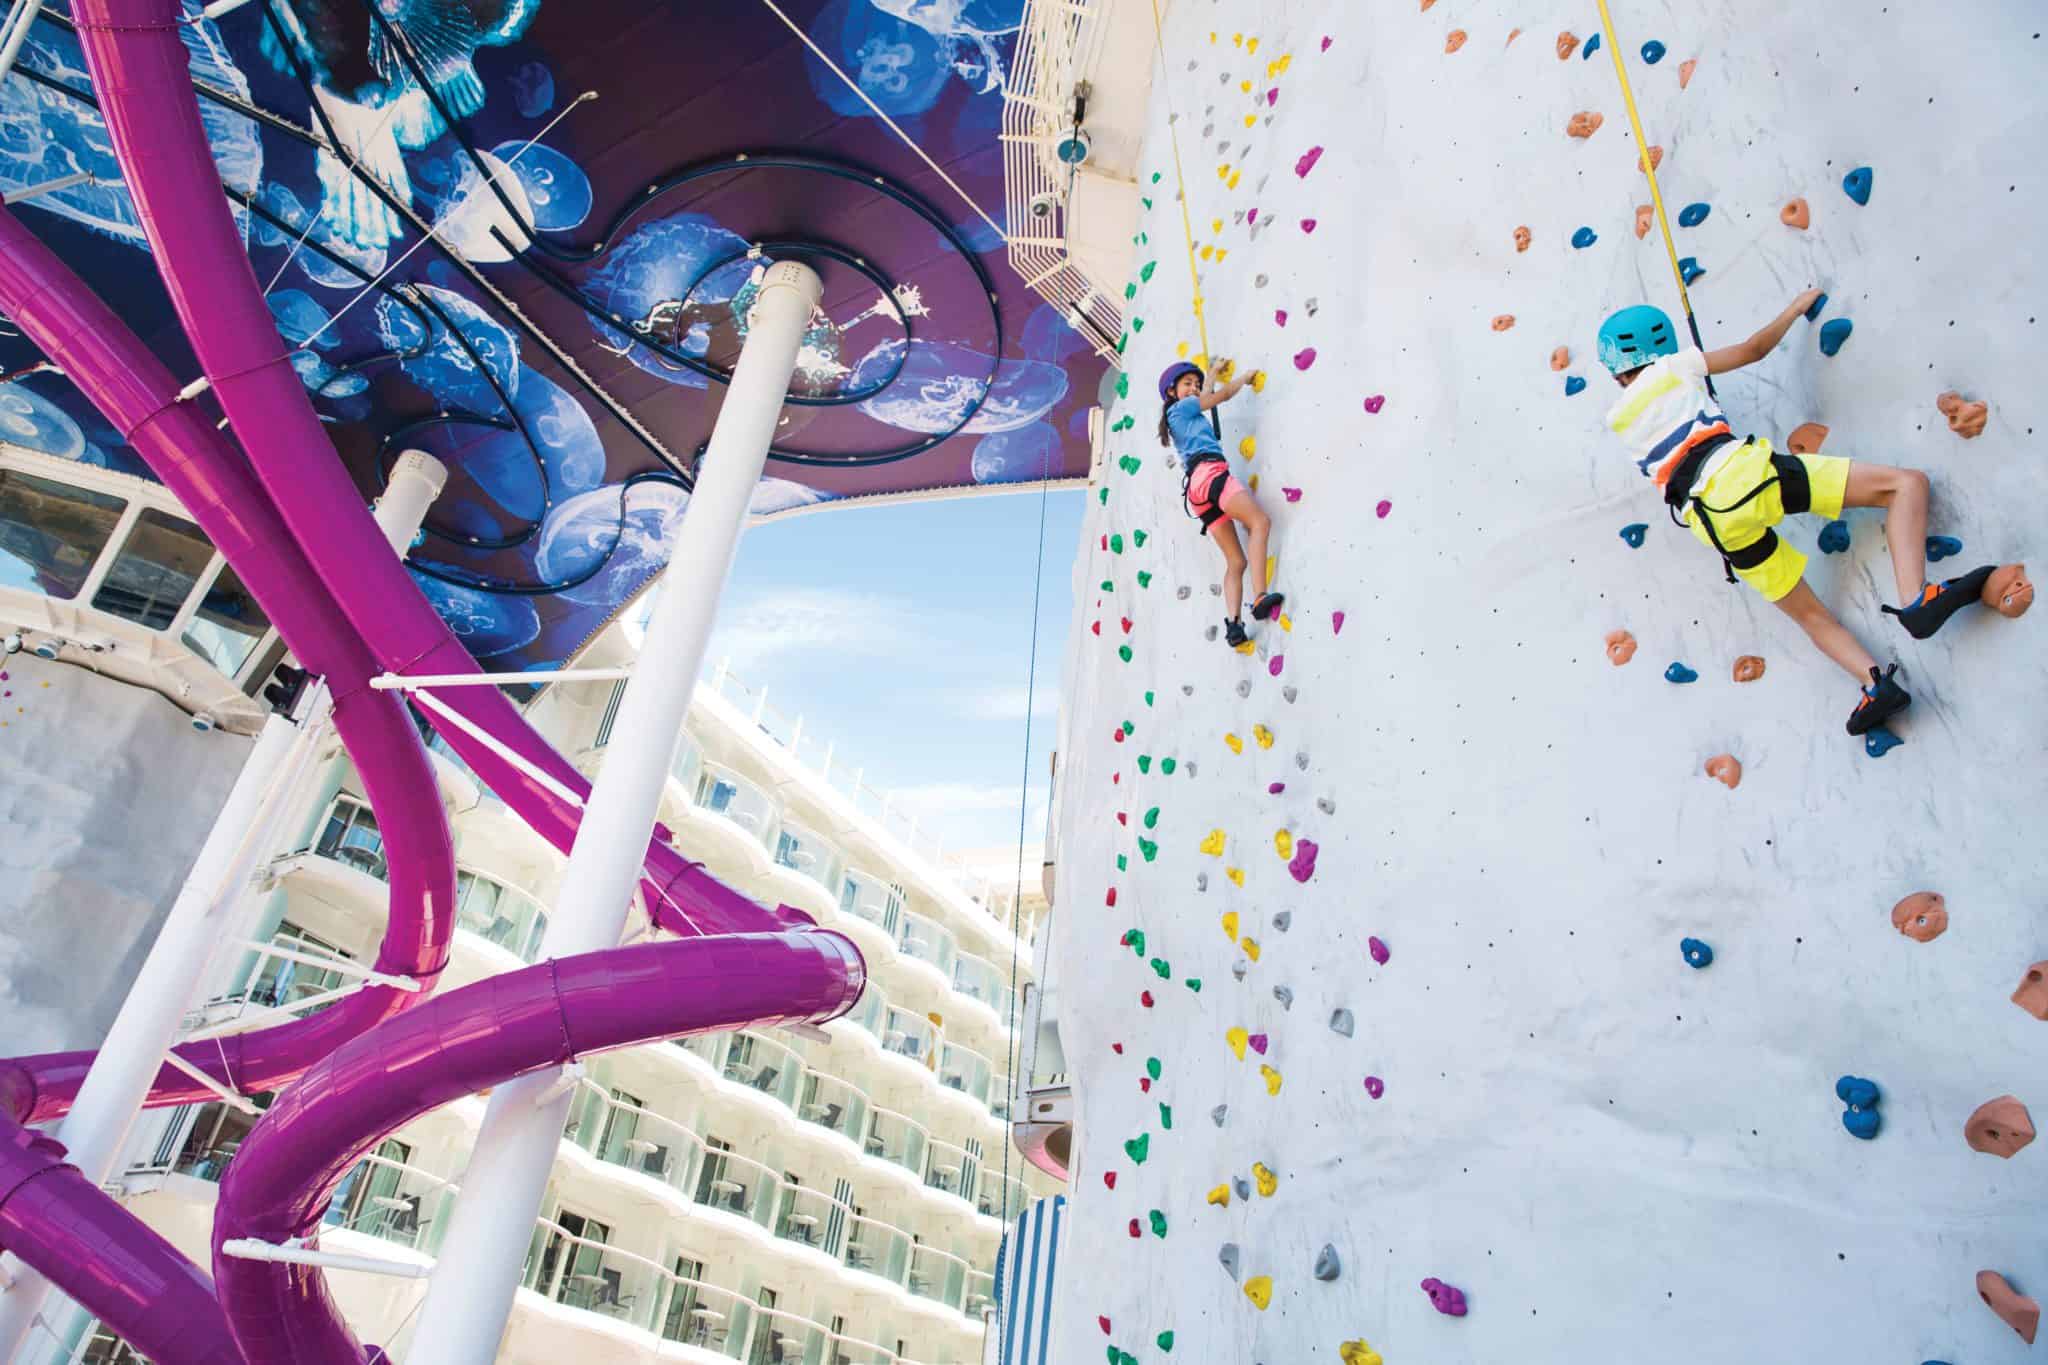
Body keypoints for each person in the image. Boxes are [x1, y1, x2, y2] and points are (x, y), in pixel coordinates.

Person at [1598, 292, 2012, 736]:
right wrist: (1795, 310)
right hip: (1744, 475)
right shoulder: (1673, 368)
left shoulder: (1619, 421)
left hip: (1714, 524)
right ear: (1660, 346)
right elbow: (1753, 349)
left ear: (1617, 368)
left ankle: (1875, 685)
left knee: (1809, 615)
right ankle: (1916, 597)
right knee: (1905, 485)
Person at [1157, 361, 1281, 647]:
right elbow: (1219, 397)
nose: (1195, 388)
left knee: (1236, 561)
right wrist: (1244, 378)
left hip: (1198, 492)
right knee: (1259, 522)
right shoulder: (1184, 408)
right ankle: (1260, 595)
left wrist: (1210, 373)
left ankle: (1234, 625)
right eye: (1187, 383)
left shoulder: (1179, 416)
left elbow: (1207, 395)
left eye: (1196, 384)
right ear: (1172, 392)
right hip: (1211, 473)